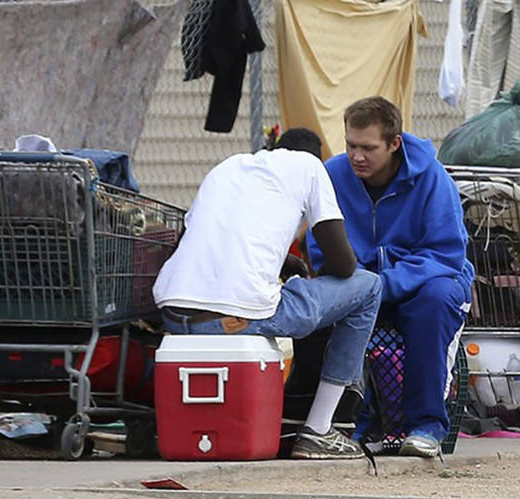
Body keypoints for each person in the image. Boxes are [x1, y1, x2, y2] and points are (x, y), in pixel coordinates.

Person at [152, 128, 381, 460]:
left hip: (173, 311)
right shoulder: (310, 167)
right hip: (236, 316)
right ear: (317, 157)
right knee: (368, 287)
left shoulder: (228, 167)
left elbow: (198, 241)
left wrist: (282, 262)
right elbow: (344, 266)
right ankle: (320, 429)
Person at [307, 97, 474, 457]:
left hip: (430, 280)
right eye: (351, 145)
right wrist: (362, 285)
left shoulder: (433, 178)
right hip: (362, 282)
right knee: (316, 305)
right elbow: (320, 252)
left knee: (431, 304)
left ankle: (426, 427)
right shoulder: (332, 175)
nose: (357, 156)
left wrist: (384, 284)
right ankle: (346, 423)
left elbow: (446, 253)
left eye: (368, 148)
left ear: (394, 143)